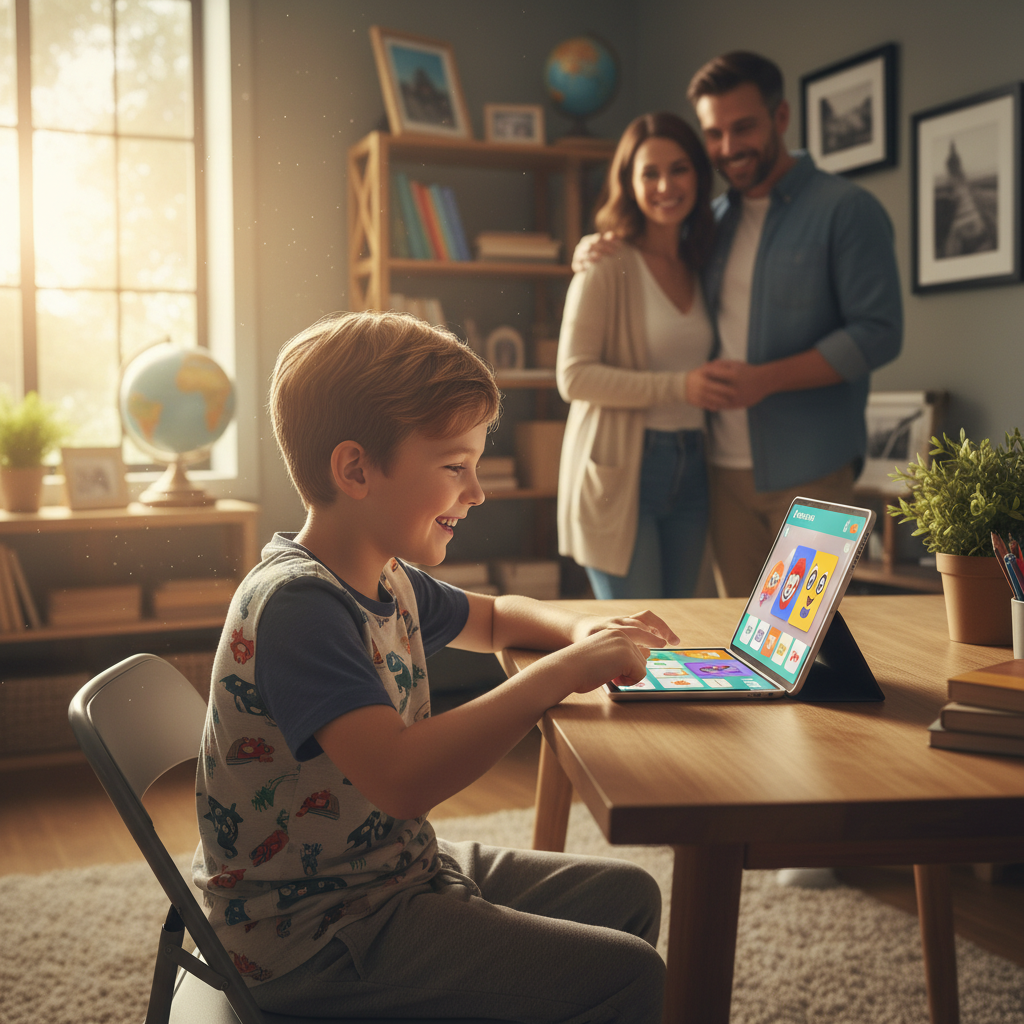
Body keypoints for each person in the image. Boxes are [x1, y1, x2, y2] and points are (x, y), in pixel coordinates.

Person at [193, 310, 672, 1021]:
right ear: (356, 469)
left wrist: (582, 627)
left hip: (388, 871)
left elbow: (498, 616)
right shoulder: (298, 606)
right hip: (314, 936)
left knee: (632, 897)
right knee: (629, 976)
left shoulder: (384, 575)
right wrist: (567, 669)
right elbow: (404, 778)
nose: (476, 492)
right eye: (455, 467)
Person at [574, 52, 902, 599]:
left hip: (813, 473)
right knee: (742, 646)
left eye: (743, 127)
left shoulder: (847, 209)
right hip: (719, 476)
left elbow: (879, 332)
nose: (728, 147)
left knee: (809, 643)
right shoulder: (711, 223)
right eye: (714, 133)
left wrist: (766, 379)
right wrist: (597, 243)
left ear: (781, 117)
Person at [557, 112, 727, 600]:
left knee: (684, 633)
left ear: (698, 174)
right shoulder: (606, 264)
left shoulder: (701, 262)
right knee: (637, 644)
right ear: (629, 184)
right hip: (623, 469)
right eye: (649, 173)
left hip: (694, 465)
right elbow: (574, 377)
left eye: (679, 169)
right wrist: (680, 387)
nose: (665, 185)